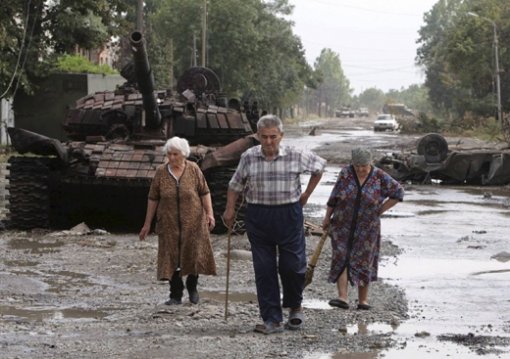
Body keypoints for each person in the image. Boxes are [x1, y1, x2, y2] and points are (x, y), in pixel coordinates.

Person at [223, 114, 326, 334]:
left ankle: (295, 307)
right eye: (264, 137)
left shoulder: (296, 154)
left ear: (281, 136)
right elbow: (235, 185)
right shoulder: (249, 157)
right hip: (258, 217)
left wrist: (307, 193)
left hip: (288, 215)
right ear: (258, 136)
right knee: (264, 268)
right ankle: (272, 319)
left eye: (273, 137)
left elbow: (319, 167)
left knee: (292, 266)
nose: (269, 142)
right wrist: (229, 209)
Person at [322, 147, 404, 310]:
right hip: (342, 224)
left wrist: (380, 210)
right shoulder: (345, 173)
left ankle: (363, 300)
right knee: (341, 257)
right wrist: (327, 217)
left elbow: (398, 192)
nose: (360, 169)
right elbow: (334, 196)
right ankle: (342, 297)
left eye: (363, 166)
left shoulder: (379, 176)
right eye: (357, 166)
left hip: (368, 227)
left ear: (370, 163)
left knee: (364, 260)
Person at [139, 136, 216, 305]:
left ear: (184, 154)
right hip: (168, 222)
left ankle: (192, 287)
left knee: (193, 254)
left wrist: (209, 214)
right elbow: (153, 198)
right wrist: (147, 224)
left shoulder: (194, 169)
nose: (172, 158)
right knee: (170, 256)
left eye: (175, 154)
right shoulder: (161, 172)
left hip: (194, 221)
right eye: (169, 154)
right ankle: (175, 293)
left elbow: (204, 192)